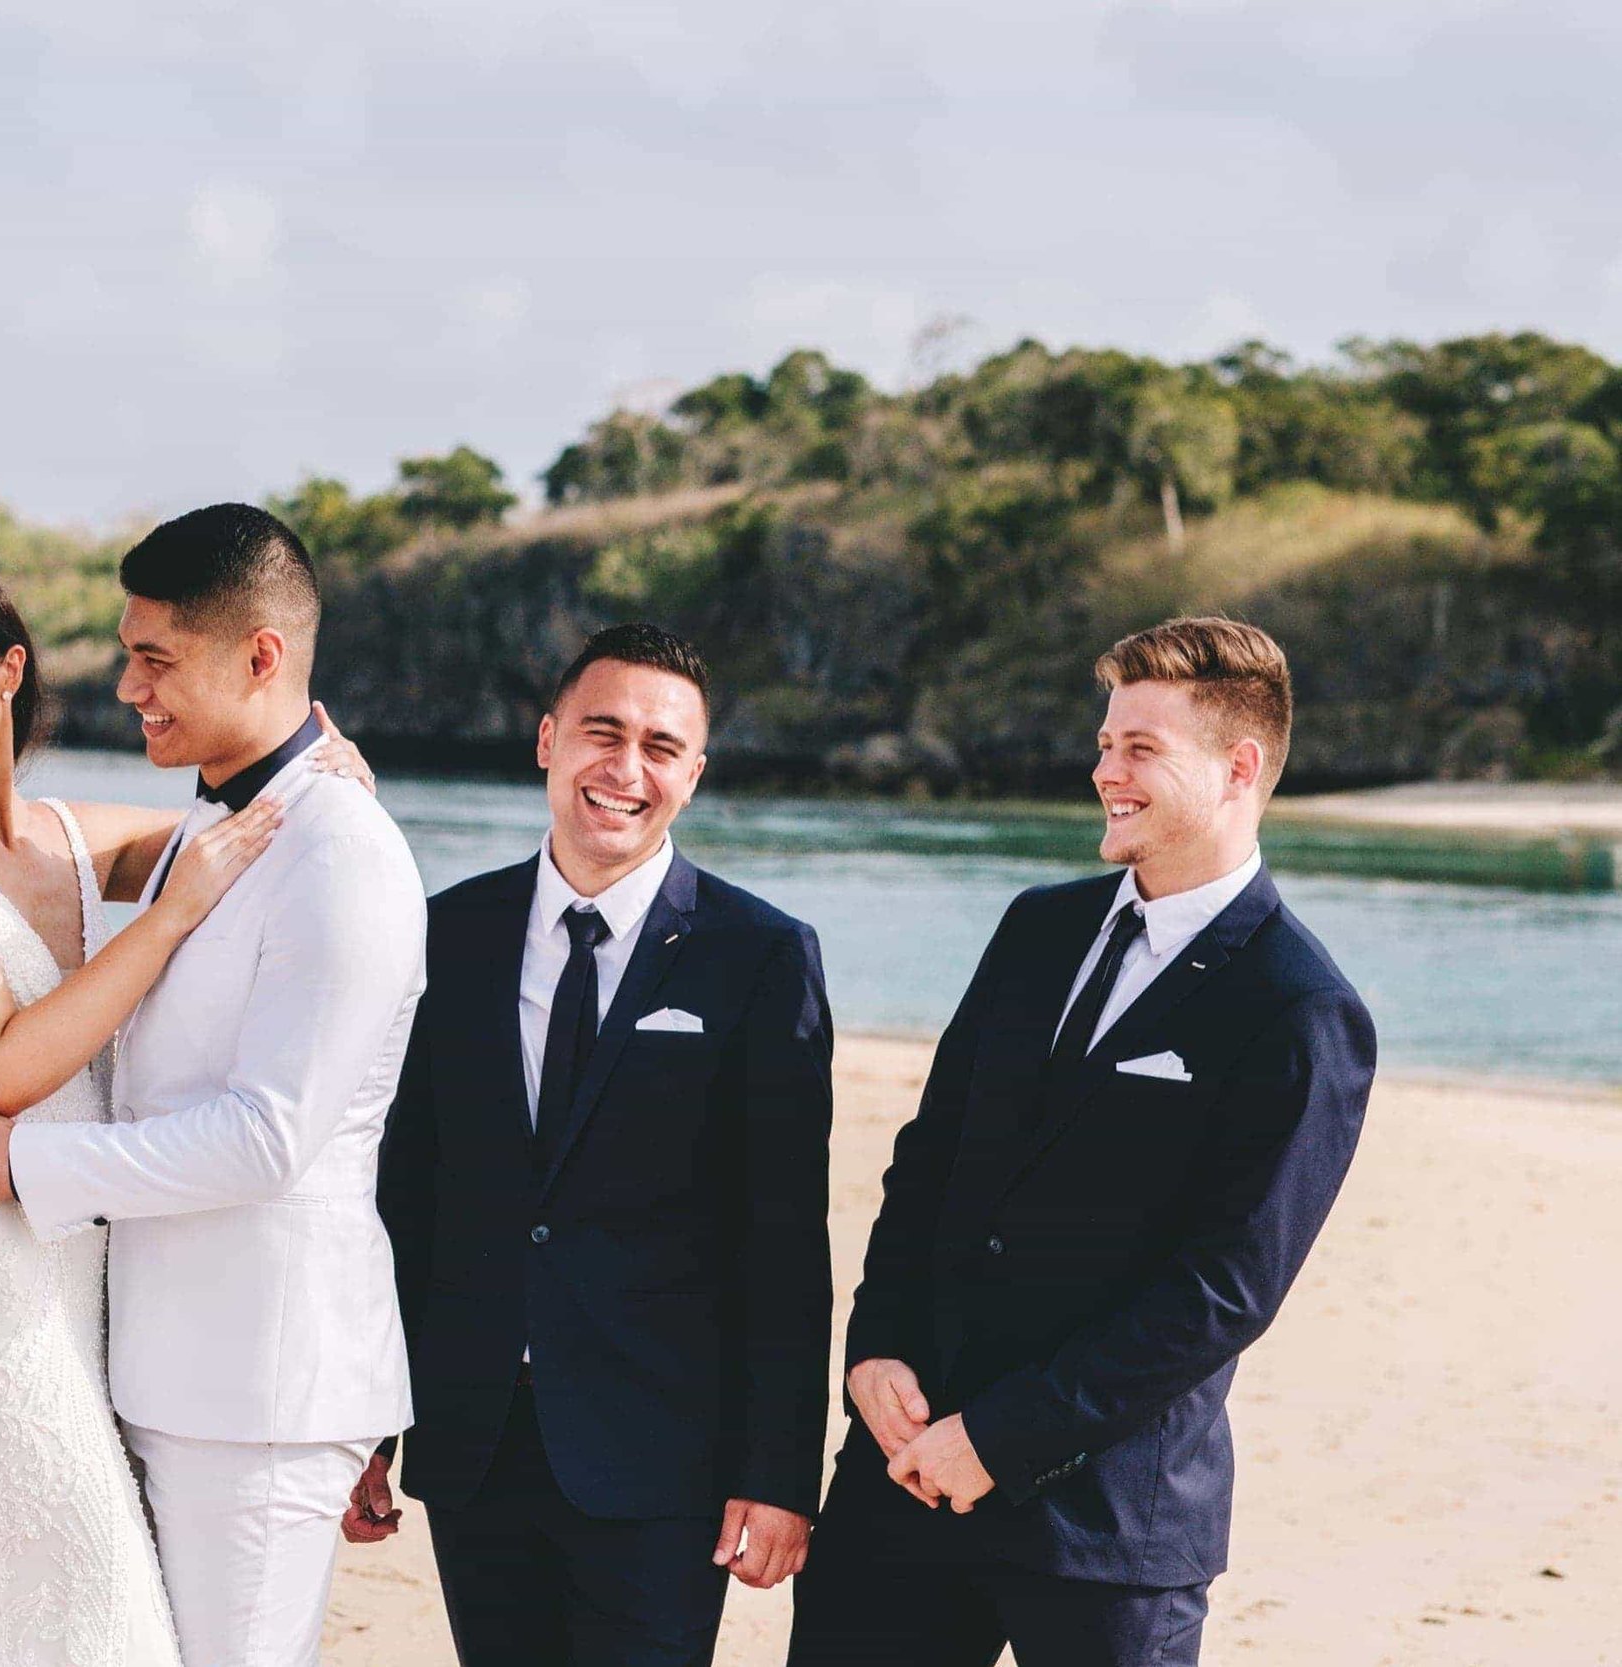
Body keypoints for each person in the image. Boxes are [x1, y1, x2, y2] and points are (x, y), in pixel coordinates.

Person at [0, 556, 368, 1666]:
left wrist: (327, 774)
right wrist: (171, 914)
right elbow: (2, 1065)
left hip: (91, 1287)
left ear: (9, 667)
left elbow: (243, 819)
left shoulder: (68, 831)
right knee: (94, 1606)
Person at [788, 616, 1377, 1667]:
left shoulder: (1300, 1007)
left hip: (1107, 1524)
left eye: (1139, 748)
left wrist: (999, 1437)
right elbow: (927, 1160)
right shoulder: (1034, 926)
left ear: (1239, 766)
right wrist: (873, 1346)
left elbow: (1221, 1291)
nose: (1103, 770)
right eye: (1106, 742)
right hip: (902, 1474)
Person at [352, 622, 835, 1666]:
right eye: (600, 732)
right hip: (472, 1433)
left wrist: (780, 1470)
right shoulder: (447, 934)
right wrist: (364, 1418)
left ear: (693, 775)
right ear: (545, 740)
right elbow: (404, 1197)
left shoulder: (758, 956)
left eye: (660, 747)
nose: (625, 768)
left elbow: (785, 1237)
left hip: (661, 1450)